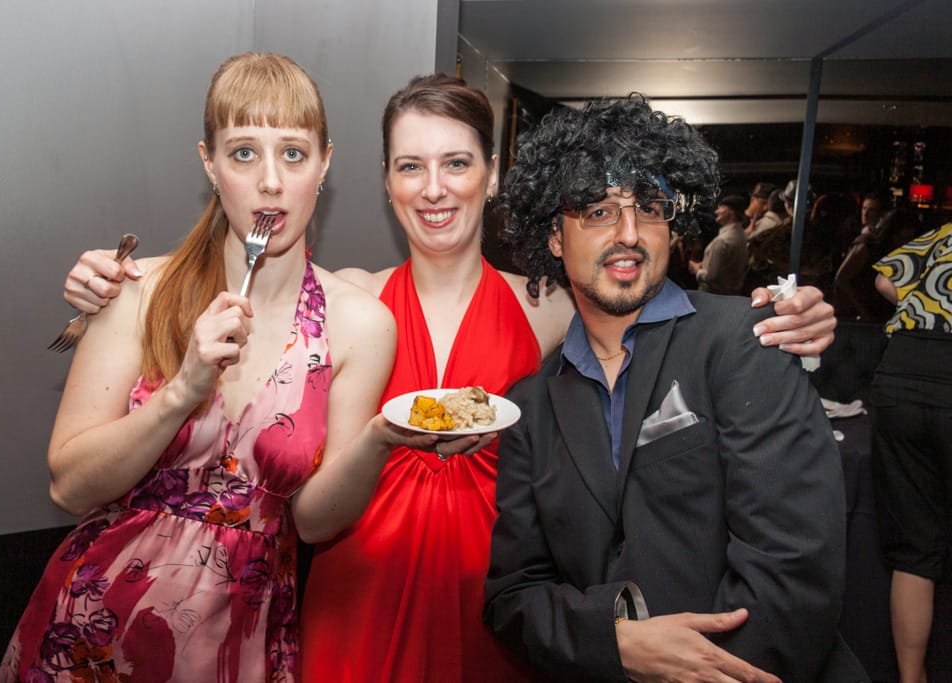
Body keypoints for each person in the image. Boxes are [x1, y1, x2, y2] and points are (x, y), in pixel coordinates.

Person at [58, 77, 838, 682]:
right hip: (360, 589)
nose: (434, 188)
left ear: (491, 176)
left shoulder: (550, 307)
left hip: (498, 600)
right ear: (386, 181)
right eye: (411, 166)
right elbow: (232, 296)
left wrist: (789, 318)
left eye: (457, 163)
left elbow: (648, 310)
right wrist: (108, 283)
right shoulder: (345, 300)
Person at [0, 52, 443, 683]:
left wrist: (379, 439)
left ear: (324, 163)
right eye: (244, 153)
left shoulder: (360, 324)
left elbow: (314, 521)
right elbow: (68, 488)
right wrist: (181, 392)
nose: (270, 182)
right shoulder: (139, 291)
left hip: (241, 639)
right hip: (94, 633)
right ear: (209, 163)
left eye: (293, 153)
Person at [483, 95, 867, 682]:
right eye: (598, 211)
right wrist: (615, 645)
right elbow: (514, 596)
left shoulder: (745, 340)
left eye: (651, 207)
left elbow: (794, 570)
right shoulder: (532, 405)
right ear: (555, 237)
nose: (630, 233)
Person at [871, 222, 952, 683]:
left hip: (903, 369)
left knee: (914, 551)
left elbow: (886, 280)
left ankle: (911, 678)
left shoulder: (946, 233)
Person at [833, 208, 921, 323]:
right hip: (858, 314)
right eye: (901, 239)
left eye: (909, 240)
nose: (903, 244)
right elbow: (841, 279)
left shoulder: (906, 253)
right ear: (891, 234)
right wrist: (862, 311)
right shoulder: (868, 247)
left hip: (882, 314)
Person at [687, 193, 748, 294]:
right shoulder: (741, 235)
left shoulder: (722, 241)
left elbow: (710, 277)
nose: (716, 211)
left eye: (722, 207)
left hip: (712, 295)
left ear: (731, 212)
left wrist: (696, 269)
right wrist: (704, 264)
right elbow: (726, 265)